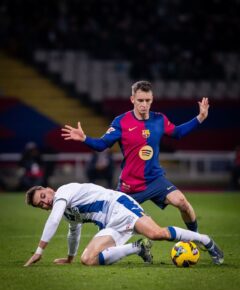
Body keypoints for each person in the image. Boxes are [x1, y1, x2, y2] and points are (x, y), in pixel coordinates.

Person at [61, 81, 210, 233]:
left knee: (182, 202)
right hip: (130, 185)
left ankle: (195, 237)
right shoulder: (121, 121)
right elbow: (102, 145)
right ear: (132, 99)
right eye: (140, 100)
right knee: (110, 226)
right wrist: (85, 138)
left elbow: (177, 133)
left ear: (152, 100)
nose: (144, 104)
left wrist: (200, 118)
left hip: (155, 179)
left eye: (147, 100)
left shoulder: (159, 119)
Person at [23, 182, 223, 267]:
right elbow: (73, 233)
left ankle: (206, 240)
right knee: (87, 259)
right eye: (40, 204)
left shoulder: (64, 192)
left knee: (157, 233)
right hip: (110, 224)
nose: (44, 202)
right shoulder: (66, 212)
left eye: (42, 196)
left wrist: (40, 251)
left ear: (48, 189)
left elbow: (54, 219)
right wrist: (69, 258)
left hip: (119, 206)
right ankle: (137, 248)